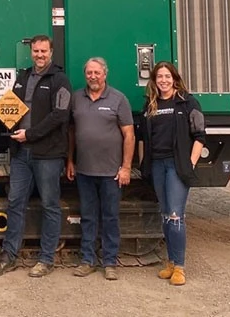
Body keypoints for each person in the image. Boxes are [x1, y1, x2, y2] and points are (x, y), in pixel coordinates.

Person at [0, 34, 72, 278]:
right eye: (36, 51)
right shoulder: (22, 78)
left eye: (44, 51)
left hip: (48, 155)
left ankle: (45, 259)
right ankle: (9, 256)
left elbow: (60, 115)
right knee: (15, 203)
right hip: (21, 155)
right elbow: (7, 109)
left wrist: (30, 134)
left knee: (50, 205)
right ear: (31, 52)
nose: (40, 55)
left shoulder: (60, 80)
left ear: (51, 53)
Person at [66, 57, 134, 281]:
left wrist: (126, 167)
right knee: (88, 217)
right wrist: (70, 160)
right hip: (84, 171)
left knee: (110, 217)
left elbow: (129, 135)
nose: (93, 77)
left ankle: (110, 262)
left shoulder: (118, 99)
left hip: (111, 173)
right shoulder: (76, 98)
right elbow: (71, 133)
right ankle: (87, 260)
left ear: (105, 74)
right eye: (89, 73)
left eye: (97, 73)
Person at [140, 61, 206, 286]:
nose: (163, 80)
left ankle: (180, 268)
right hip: (157, 164)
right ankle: (170, 263)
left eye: (167, 76)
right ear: (154, 80)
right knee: (165, 214)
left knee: (176, 215)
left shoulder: (188, 102)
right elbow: (145, 138)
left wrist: (190, 163)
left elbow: (199, 136)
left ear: (174, 78)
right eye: (159, 77)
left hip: (177, 166)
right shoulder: (150, 104)